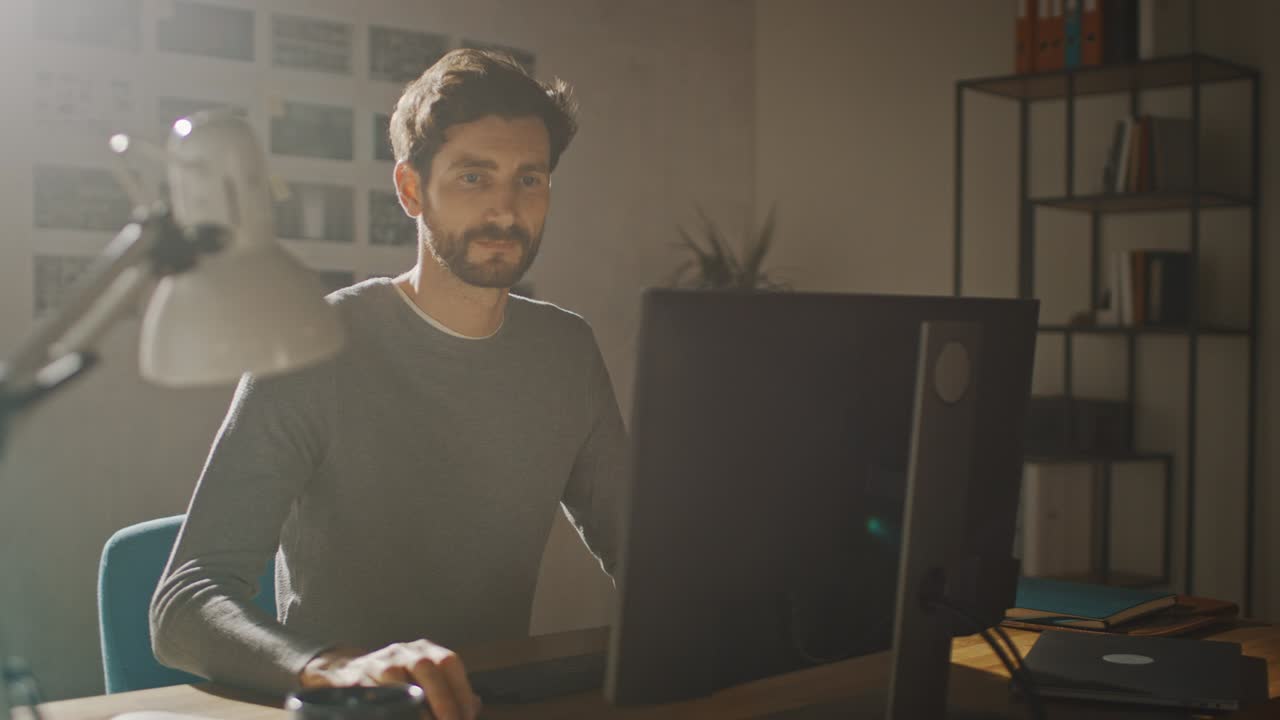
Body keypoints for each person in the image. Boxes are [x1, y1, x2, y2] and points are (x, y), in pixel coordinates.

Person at [150, 50, 627, 720]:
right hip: (353, 710)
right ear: (410, 189)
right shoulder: (316, 345)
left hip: (487, 708)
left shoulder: (565, 351)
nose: (506, 209)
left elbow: (640, 551)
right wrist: (337, 667)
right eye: (473, 177)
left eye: (531, 179)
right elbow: (185, 601)